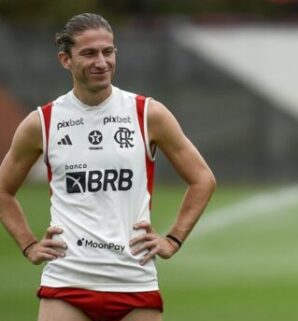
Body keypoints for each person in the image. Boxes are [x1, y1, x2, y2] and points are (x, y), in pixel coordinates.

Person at [0, 13, 216, 321]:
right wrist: (29, 245)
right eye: (89, 53)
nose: (102, 61)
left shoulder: (147, 113)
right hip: (67, 281)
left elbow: (202, 179)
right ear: (65, 59)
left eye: (108, 51)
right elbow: (3, 190)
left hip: (134, 280)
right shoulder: (42, 123)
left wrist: (173, 239)